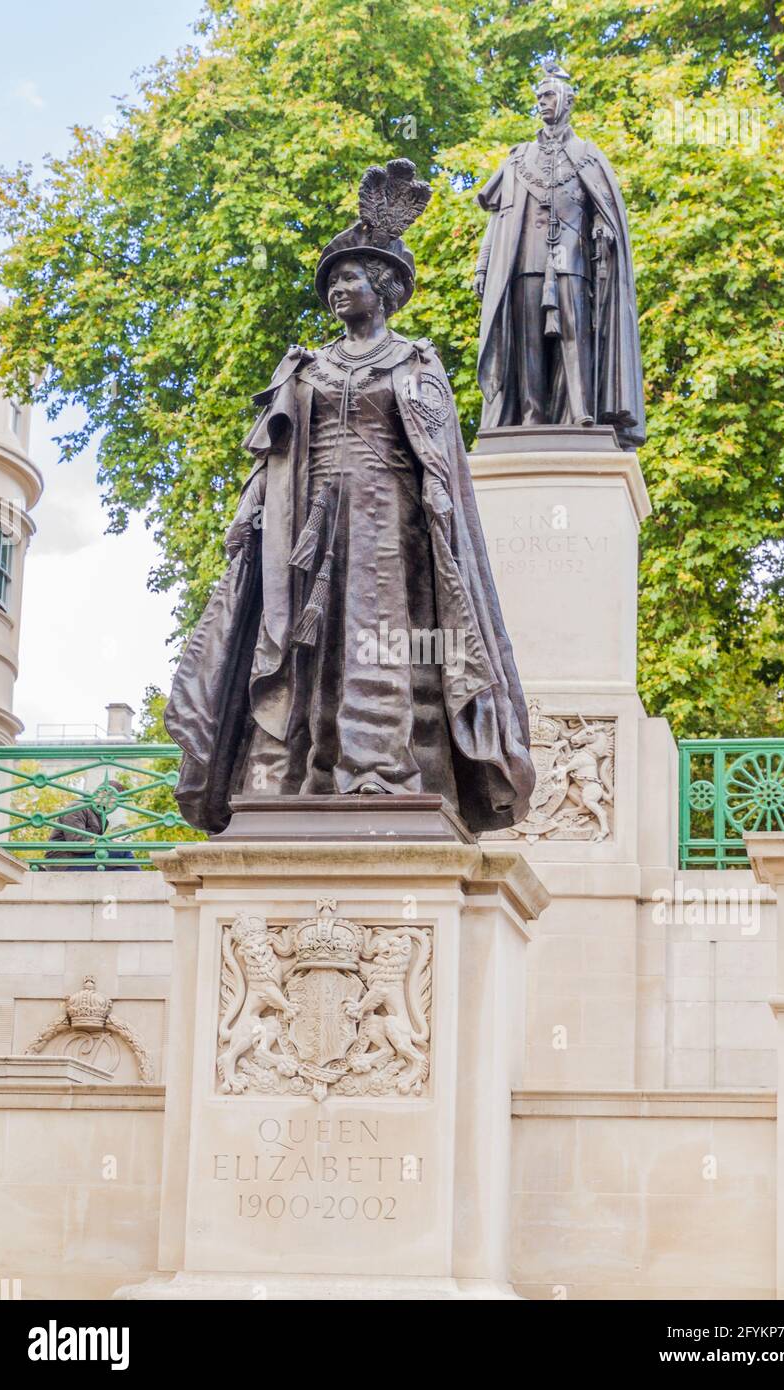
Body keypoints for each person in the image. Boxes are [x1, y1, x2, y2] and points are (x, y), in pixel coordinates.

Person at [164, 159, 534, 836]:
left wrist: (440, 506)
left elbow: (436, 454)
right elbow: (274, 452)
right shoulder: (305, 366)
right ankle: (289, 775)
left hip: (387, 526)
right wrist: (249, 513)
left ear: (384, 288)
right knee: (300, 647)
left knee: (379, 644)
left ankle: (377, 772)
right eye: (333, 280)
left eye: (352, 278)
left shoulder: (414, 362)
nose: (339, 289)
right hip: (303, 522)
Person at [474, 63, 645, 444]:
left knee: (574, 334)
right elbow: (498, 219)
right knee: (528, 341)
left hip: (573, 262)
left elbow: (605, 213)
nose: (541, 104)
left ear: (567, 100)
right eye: (538, 99)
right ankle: (532, 416)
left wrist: (603, 230)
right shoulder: (518, 158)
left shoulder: (588, 155)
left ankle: (580, 409)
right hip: (525, 264)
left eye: (548, 96)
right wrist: (484, 266)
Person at [43, 778, 139, 870]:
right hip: (64, 862)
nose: (116, 806)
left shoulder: (101, 817)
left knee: (120, 871)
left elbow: (93, 843)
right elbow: (76, 843)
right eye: (115, 801)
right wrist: (109, 843)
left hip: (81, 858)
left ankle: (140, 883)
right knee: (122, 851)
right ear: (104, 794)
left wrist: (108, 842)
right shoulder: (77, 807)